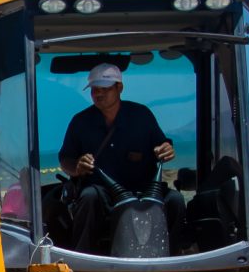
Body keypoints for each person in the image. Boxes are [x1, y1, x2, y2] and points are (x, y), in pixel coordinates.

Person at [59, 61, 176, 192]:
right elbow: (65, 159)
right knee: (88, 197)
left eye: (105, 88)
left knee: (175, 200)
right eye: (95, 89)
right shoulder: (80, 121)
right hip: (99, 190)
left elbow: (161, 147)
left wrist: (166, 150)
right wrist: (77, 167)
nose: (99, 94)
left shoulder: (141, 115)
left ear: (119, 88)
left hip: (141, 189)